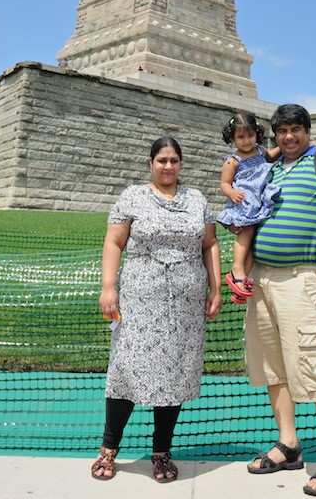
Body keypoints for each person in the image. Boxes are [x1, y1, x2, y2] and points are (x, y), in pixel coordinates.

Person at [244, 104, 316, 496]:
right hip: (261, 280)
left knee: (312, 365)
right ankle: (289, 444)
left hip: (301, 278)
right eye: (282, 131)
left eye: (296, 129)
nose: (289, 136)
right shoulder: (271, 168)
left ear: (307, 131)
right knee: (272, 365)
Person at [91, 136, 222, 483]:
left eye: (174, 160)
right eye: (162, 160)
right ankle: (108, 448)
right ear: (150, 162)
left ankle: (162, 451)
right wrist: (108, 287)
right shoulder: (132, 196)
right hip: (139, 296)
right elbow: (114, 241)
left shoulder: (196, 199)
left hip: (186, 301)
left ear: (181, 164)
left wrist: (216, 287)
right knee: (126, 368)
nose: (168, 166)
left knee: (174, 373)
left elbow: (209, 243)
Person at [216, 112, 280, 303]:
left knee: (252, 241)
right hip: (244, 203)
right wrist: (231, 193)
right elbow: (224, 183)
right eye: (241, 137)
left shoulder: (260, 151)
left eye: (250, 135)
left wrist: (284, 147)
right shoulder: (233, 160)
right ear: (233, 137)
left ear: (257, 135)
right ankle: (237, 267)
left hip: (258, 201)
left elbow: (272, 155)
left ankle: (241, 282)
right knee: (247, 232)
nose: (246, 141)